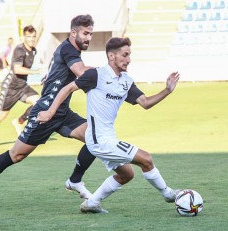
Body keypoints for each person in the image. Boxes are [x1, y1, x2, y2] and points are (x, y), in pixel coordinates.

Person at [0, 14, 97, 213]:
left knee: (94, 136)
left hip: (62, 112)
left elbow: (57, 69)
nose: (89, 38)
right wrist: (108, 71)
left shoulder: (66, 48)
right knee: (16, 155)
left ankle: (75, 180)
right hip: (45, 112)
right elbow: (81, 72)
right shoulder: (69, 49)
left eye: (91, 34)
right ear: (73, 32)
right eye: (85, 33)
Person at [37, 37, 181, 214]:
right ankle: (169, 194)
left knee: (126, 175)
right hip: (98, 140)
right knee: (146, 159)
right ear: (111, 56)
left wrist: (167, 90)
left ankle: (91, 204)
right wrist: (50, 112)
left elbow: (145, 102)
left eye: (129, 55)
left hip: (108, 138)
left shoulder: (126, 81)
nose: (128, 59)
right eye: (125, 55)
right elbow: (67, 88)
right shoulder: (96, 75)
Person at [0, 26, 41, 149]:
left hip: (22, 86)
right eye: (29, 36)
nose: (31, 39)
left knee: (40, 103)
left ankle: (19, 122)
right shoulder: (19, 49)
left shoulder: (34, 50)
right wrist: (36, 72)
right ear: (24, 37)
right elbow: (17, 69)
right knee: (1, 116)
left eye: (33, 36)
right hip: (11, 88)